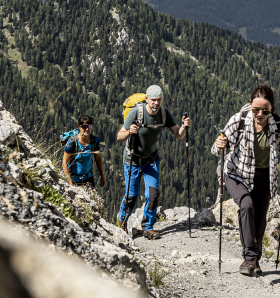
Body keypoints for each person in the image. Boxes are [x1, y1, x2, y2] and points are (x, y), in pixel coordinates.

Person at [212, 84, 280, 277]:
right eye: (256, 109)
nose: (260, 113)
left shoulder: (279, 125)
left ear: (271, 108)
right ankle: (249, 257)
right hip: (236, 173)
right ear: (250, 105)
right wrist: (219, 144)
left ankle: (255, 260)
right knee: (246, 206)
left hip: (265, 176)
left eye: (265, 110)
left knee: (260, 219)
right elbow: (217, 151)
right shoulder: (239, 121)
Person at [116, 84, 191, 240]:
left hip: (151, 160)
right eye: (153, 100)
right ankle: (122, 221)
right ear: (146, 99)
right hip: (133, 159)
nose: (156, 103)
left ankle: (148, 227)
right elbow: (119, 136)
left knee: (153, 194)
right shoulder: (136, 112)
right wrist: (130, 131)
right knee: (131, 196)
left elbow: (178, 135)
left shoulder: (164, 114)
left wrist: (184, 126)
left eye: (159, 100)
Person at [62, 114, 106, 188]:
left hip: (88, 178)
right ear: (79, 127)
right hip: (73, 179)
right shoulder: (72, 141)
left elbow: (98, 159)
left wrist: (102, 175)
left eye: (89, 126)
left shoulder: (94, 141)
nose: (87, 129)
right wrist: (69, 181)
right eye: (85, 127)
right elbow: (64, 163)